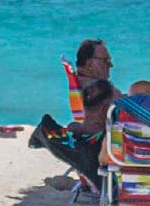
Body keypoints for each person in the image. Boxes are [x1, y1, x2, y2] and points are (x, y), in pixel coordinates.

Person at [28, 38, 116, 181]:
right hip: (100, 153)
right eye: (106, 61)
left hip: (91, 146)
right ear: (89, 64)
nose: (111, 65)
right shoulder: (98, 89)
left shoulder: (84, 84)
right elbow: (95, 125)